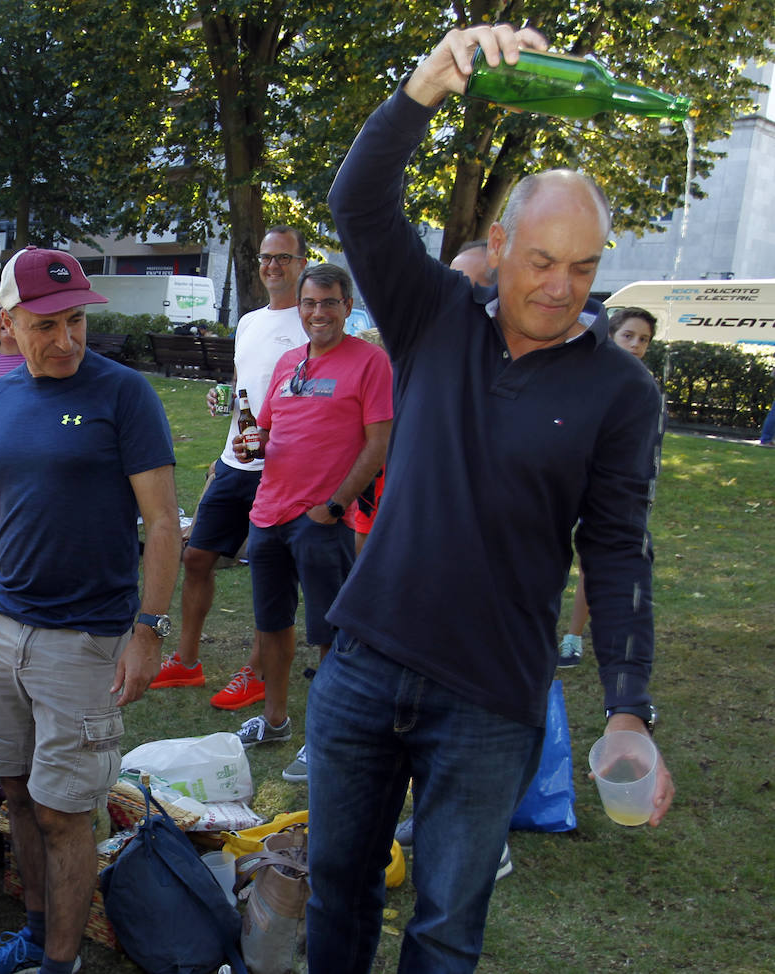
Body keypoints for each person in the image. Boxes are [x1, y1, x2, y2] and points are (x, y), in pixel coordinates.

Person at [309, 24, 674, 973]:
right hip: (364, 663)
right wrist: (427, 82)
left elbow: (621, 547)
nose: (562, 288)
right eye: (542, 260)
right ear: (501, 243)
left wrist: (628, 707)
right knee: (336, 888)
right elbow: (359, 202)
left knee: (444, 927)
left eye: (585, 268)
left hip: (491, 697)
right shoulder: (435, 318)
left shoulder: (621, 390)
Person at [0, 246, 179, 974]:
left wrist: (148, 631)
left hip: (85, 641)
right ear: (4, 323)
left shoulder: (124, 394)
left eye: (75, 322)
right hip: (1, 631)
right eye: (44, 326)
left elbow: (161, 521)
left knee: (65, 813)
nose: (65, 340)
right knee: (18, 796)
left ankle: (59, 965)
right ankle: (34, 934)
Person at [232, 263, 392, 777]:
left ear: (347, 307)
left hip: (321, 518)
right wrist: (249, 443)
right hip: (268, 513)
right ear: (298, 307)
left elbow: (379, 443)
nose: (318, 312)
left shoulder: (370, 363)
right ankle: (275, 719)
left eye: (328, 302)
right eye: (309, 303)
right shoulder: (287, 363)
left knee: (328, 634)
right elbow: (268, 430)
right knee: (272, 625)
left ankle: (325, 737)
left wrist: (338, 506)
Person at [151, 226, 310, 710]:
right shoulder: (248, 321)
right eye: (265, 257)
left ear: (302, 262)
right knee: (197, 557)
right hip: (233, 460)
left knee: (268, 568)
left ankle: (258, 672)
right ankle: (187, 661)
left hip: (282, 467)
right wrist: (226, 410)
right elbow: (243, 384)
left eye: (283, 257)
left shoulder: (312, 322)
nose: (272, 266)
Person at [559, 306, 659, 665]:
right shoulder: (579, 374)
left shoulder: (641, 387)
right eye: (628, 336)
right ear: (610, 336)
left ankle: (574, 637)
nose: (635, 345)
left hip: (607, 493)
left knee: (594, 561)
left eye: (643, 339)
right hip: (564, 482)